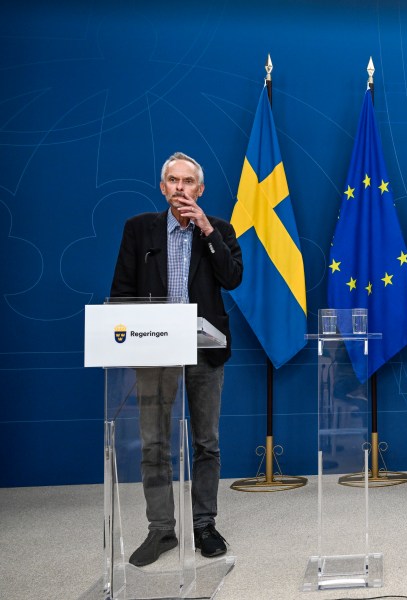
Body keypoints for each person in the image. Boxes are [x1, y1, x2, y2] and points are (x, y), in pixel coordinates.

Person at [110, 151, 243, 566]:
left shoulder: (219, 228)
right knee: (154, 441)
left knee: (207, 442)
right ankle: (161, 530)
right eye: (173, 180)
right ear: (163, 186)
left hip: (205, 348)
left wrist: (206, 230)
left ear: (200, 190)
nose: (180, 188)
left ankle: (204, 524)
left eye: (188, 182)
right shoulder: (139, 229)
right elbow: (121, 289)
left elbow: (233, 278)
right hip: (154, 348)